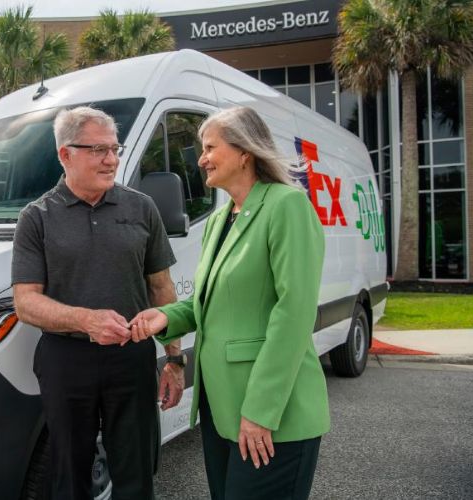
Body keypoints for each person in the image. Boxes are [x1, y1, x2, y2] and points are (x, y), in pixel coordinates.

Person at [131, 106, 329, 500]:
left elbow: (293, 314)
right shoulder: (222, 220)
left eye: (209, 147)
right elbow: (210, 305)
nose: (201, 158)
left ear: (245, 152)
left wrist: (260, 412)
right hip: (222, 411)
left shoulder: (286, 206)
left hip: (270, 415)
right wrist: (164, 317)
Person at [12, 106, 184, 500]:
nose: (112, 160)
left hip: (132, 357)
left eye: (114, 148)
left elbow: (162, 287)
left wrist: (174, 358)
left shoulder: (141, 207)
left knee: (137, 471)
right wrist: (86, 320)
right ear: (65, 154)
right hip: (66, 360)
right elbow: (26, 303)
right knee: (69, 475)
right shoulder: (36, 217)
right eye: (98, 150)